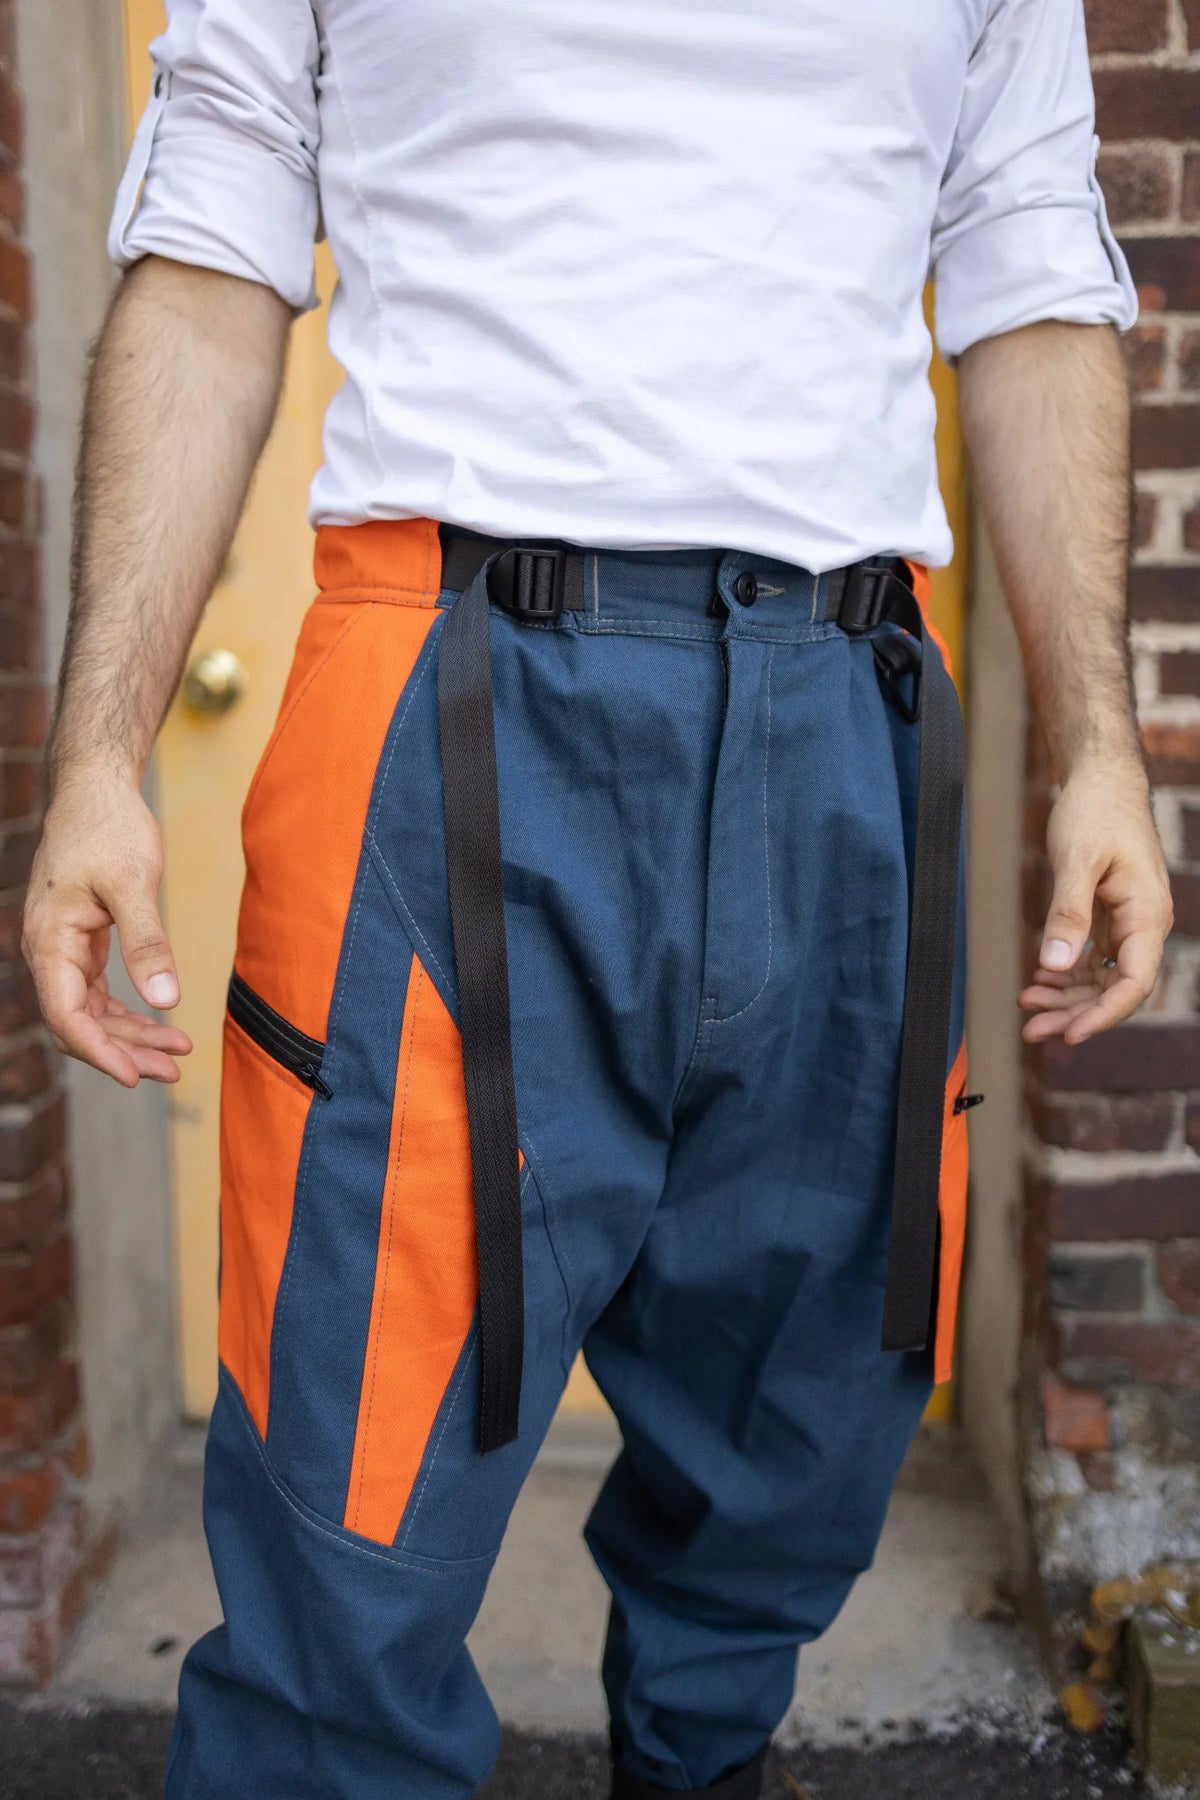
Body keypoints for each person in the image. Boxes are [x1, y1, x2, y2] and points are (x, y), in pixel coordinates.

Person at [23, 2, 1172, 1796]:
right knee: (350, 1497)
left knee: (786, 1468)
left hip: (850, 716)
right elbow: (208, 264)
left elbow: (1031, 272)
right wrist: (100, 753)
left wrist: (1099, 744)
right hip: (450, 709)